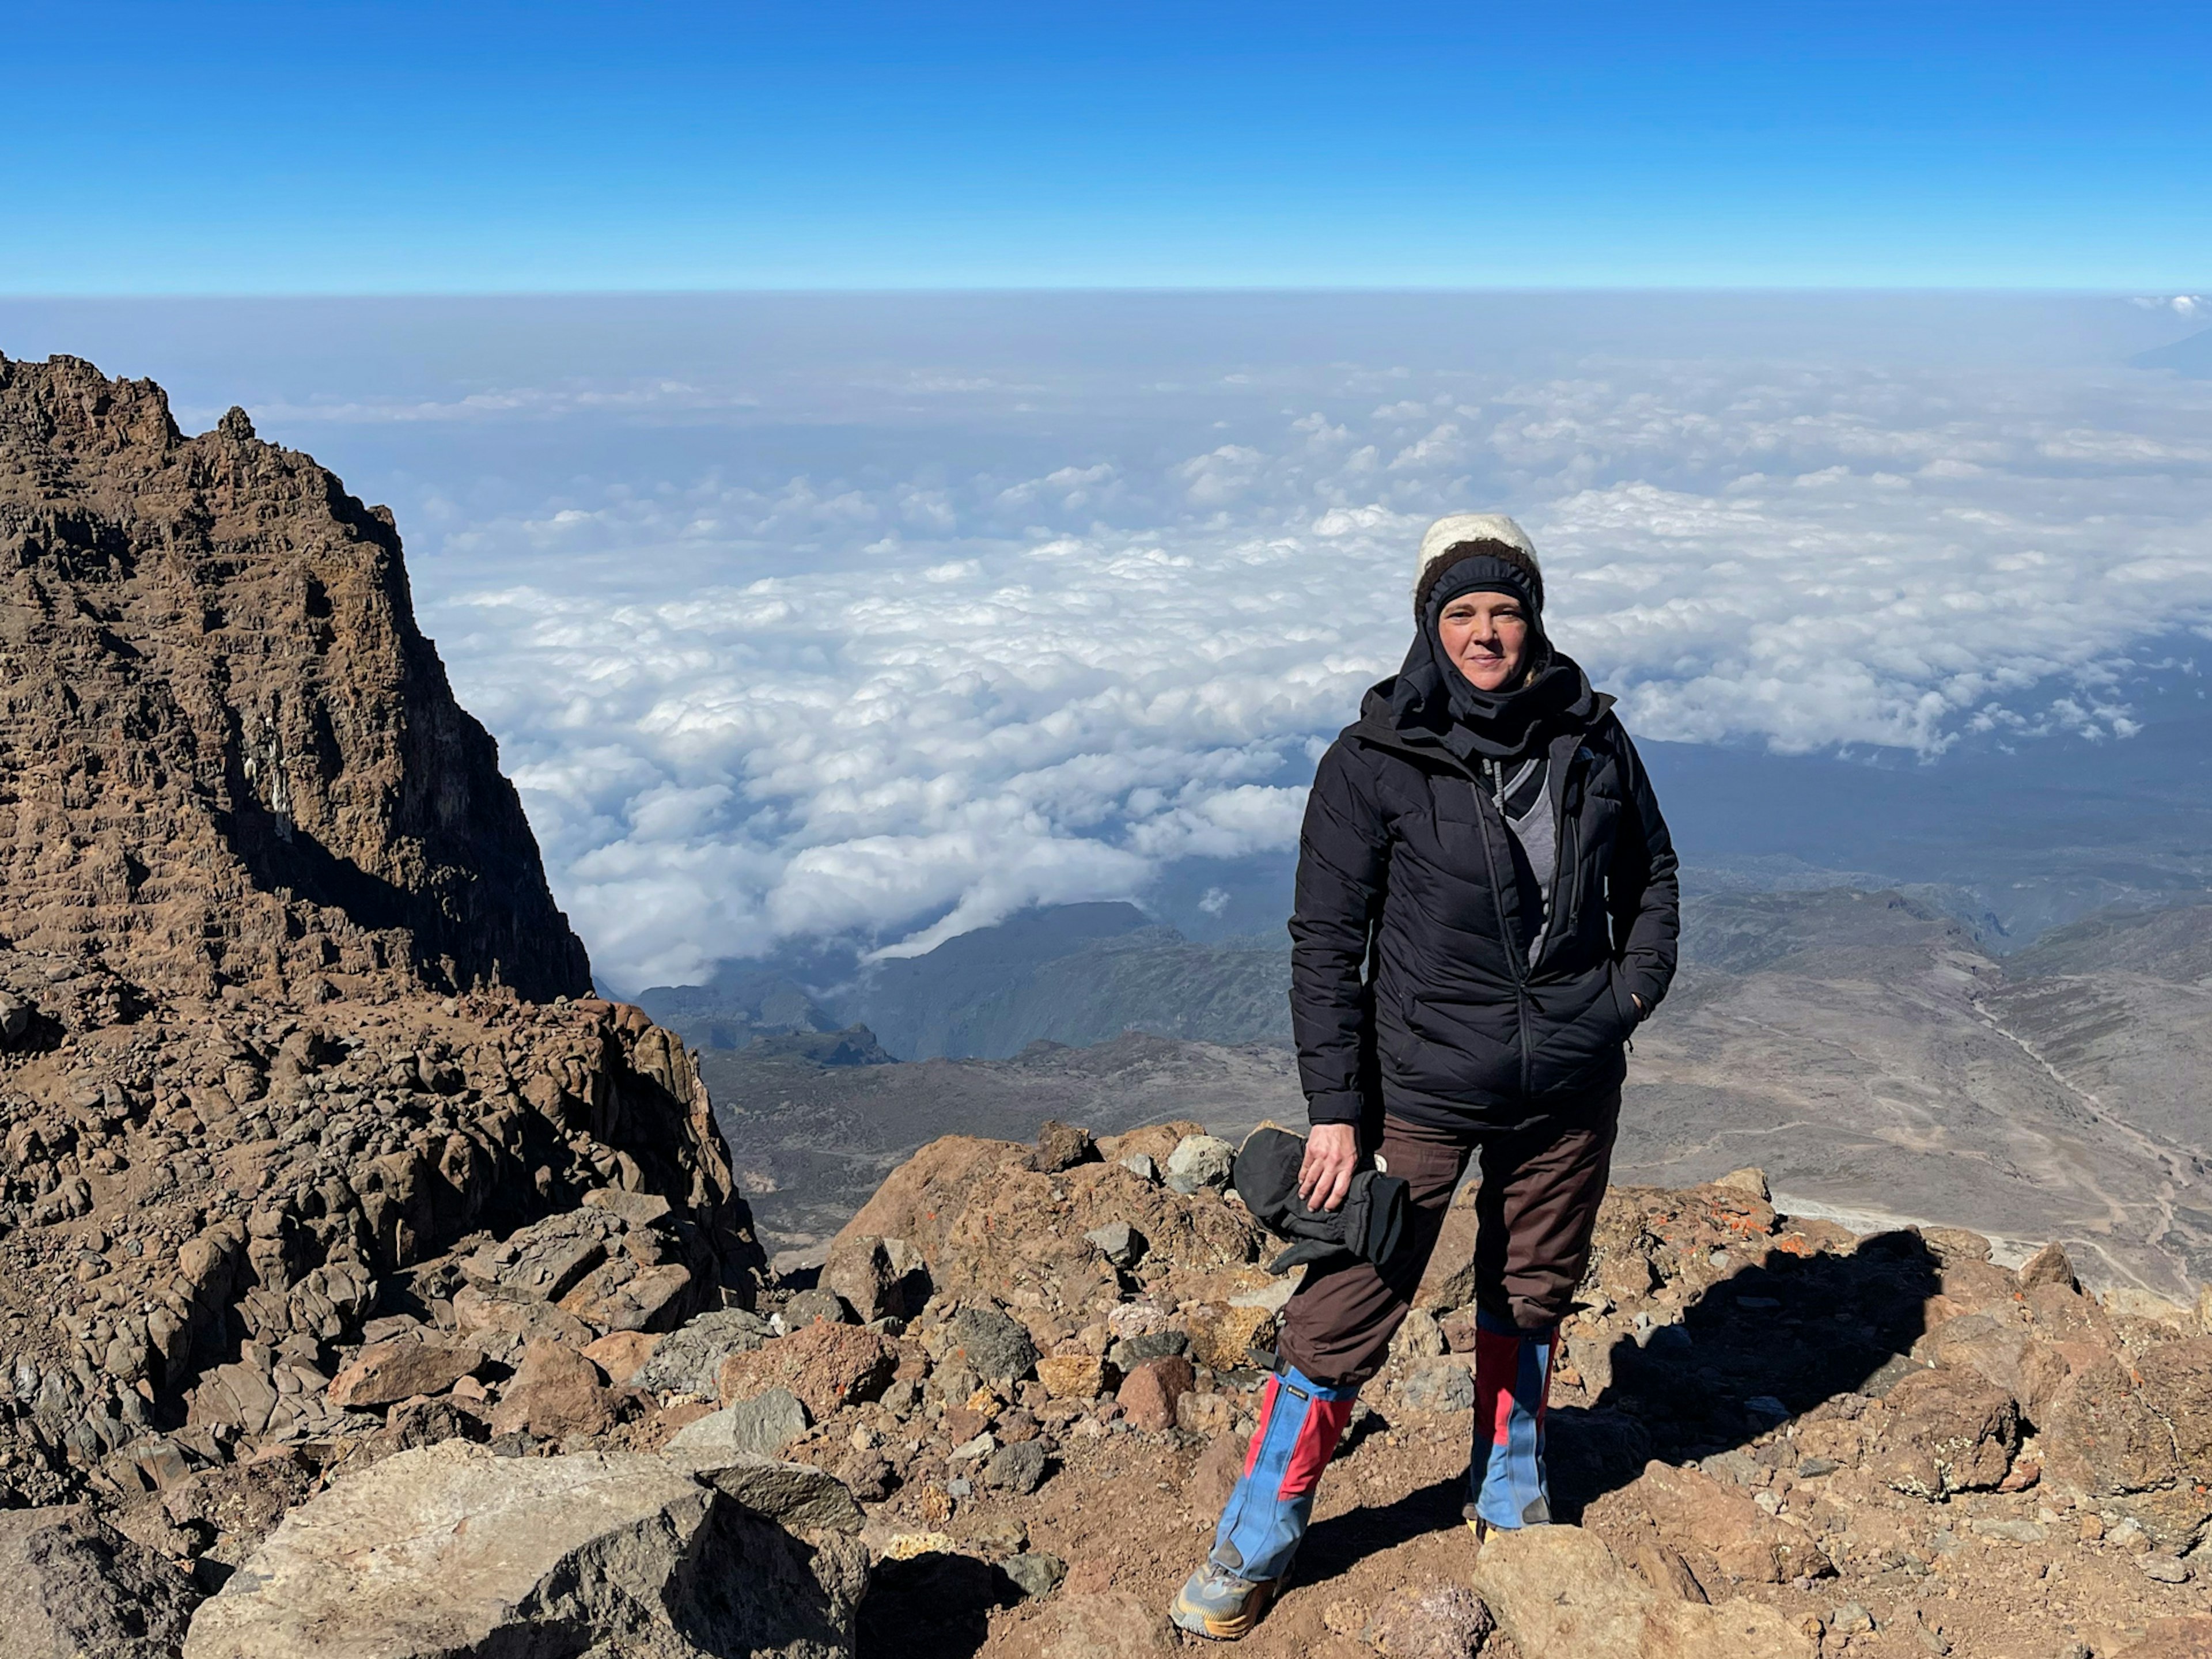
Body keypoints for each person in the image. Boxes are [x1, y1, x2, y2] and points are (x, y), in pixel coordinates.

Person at [1171, 513, 1680, 1639]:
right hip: (1420, 1084)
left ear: (1535, 615)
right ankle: (1260, 1533)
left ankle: (1508, 1491)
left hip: (1570, 1076)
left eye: (1506, 608)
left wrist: (1624, 1002)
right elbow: (1324, 943)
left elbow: (1653, 876)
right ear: (1428, 624)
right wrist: (1337, 1115)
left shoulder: (1592, 739)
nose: (1487, 631)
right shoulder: (1375, 763)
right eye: (1463, 612)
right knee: (1353, 1293)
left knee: (1536, 1279)